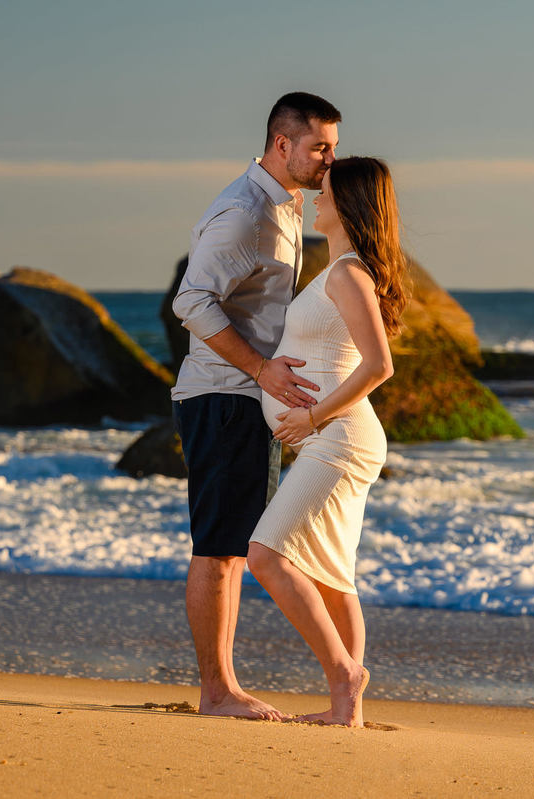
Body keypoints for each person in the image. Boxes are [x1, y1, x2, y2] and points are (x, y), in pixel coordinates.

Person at [170, 92, 340, 720]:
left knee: (235, 547)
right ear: (281, 144)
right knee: (217, 548)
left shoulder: (287, 206)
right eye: (319, 146)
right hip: (223, 396)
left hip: (245, 399)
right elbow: (191, 302)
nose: (329, 159)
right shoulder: (245, 214)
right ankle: (218, 693)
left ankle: (223, 686)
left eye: (333, 147)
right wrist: (263, 369)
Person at [247, 156, 408, 727]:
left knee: (265, 557)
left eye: (328, 191)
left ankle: (345, 673)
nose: (318, 196)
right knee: (334, 576)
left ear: (351, 204)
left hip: (339, 438)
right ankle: (348, 710)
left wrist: (312, 416)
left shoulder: (348, 273)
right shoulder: (340, 266)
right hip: (334, 438)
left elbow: (379, 366)